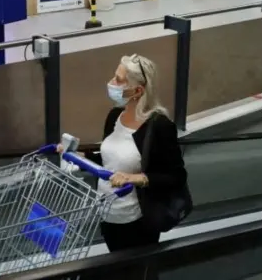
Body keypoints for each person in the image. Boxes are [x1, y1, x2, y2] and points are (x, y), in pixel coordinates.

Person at [59, 54, 187, 254]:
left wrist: (135, 178)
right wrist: (79, 157)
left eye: (119, 80)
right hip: (108, 215)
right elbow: (109, 161)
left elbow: (176, 177)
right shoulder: (114, 117)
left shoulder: (159, 126)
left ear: (137, 91)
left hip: (137, 222)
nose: (111, 83)